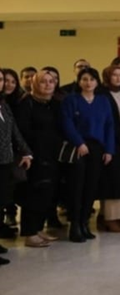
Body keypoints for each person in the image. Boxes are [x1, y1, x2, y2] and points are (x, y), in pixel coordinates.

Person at [61, 67, 113, 243]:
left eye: (92, 79)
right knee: (77, 186)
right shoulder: (71, 100)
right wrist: (79, 142)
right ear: (79, 81)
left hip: (97, 148)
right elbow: (67, 123)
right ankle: (74, 224)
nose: (88, 82)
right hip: (78, 147)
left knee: (91, 186)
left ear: (97, 82)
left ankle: (84, 223)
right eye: (84, 79)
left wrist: (109, 150)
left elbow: (109, 125)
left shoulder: (103, 100)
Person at [14, 69, 60, 248]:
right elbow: (23, 130)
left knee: (46, 194)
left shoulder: (52, 103)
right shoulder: (27, 103)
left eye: (51, 81)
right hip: (34, 156)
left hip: (51, 155)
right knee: (33, 194)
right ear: (35, 84)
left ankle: (38, 228)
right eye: (43, 81)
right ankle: (29, 233)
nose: (47, 85)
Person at [97, 66, 120, 233]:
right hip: (111, 142)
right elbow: (108, 121)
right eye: (114, 75)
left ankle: (115, 216)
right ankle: (110, 218)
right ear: (107, 77)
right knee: (113, 181)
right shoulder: (102, 95)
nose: (119, 78)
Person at [0, 73, 32, 260]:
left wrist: (26, 151)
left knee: (2, 201)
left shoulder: (4, 104)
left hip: (5, 160)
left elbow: (14, 131)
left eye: (1, 79)